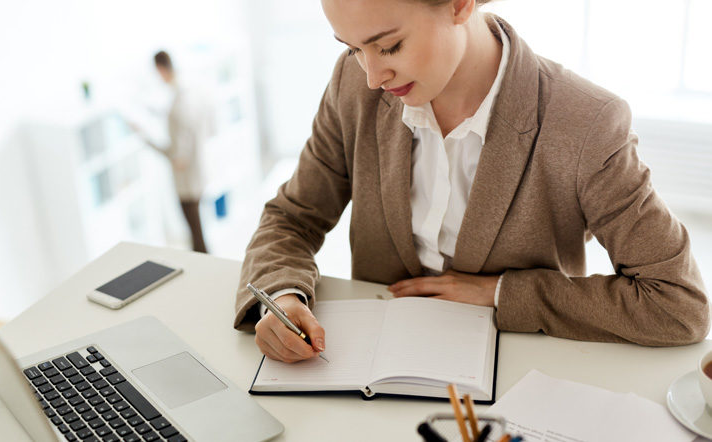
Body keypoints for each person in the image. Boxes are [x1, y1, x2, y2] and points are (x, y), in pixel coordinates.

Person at [234, 0, 710, 363]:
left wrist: (503, 293)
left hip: (523, 377)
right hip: (371, 373)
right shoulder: (352, 85)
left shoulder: (584, 122)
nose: (373, 76)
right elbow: (292, 218)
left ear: (462, 4)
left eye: (389, 46)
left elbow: (677, 304)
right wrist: (281, 295)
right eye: (353, 49)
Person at [134, 50, 216, 253]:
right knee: (198, 232)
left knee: (196, 235)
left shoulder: (179, 103)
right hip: (197, 172)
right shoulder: (190, 92)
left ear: (160, 69)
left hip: (186, 180)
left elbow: (178, 157)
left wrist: (145, 138)